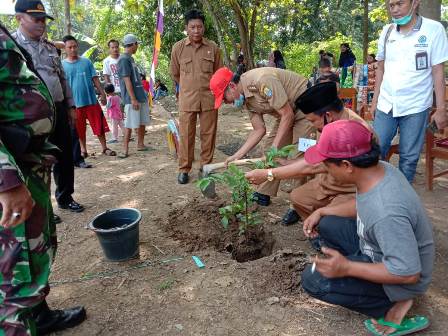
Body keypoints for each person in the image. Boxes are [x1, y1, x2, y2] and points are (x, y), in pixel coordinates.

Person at [299, 120, 434, 336]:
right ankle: (357, 264)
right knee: (327, 224)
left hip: (403, 276)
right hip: (381, 247)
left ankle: (394, 304)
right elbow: (362, 204)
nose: (324, 168)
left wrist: (347, 269)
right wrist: (322, 211)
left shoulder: (386, 211)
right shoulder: (380, 171)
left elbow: (408, 273)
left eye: (327, 163)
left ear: (346, 165)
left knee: (313, 280)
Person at [0, 21, 86, 336]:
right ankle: (17, 326)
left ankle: (39, 314)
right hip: (10, 173)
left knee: (36, 247)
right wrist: (6, 181)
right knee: (15, 263)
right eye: (33, 16)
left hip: (28, 162)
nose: (39, 21)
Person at [245, 82, 370, 225]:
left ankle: (332, 231)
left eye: (311, 120)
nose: (310, 125)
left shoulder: (352, 131)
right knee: (298, 197)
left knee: (332, 222)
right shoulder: (330, 123)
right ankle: (317, 230)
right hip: (327, 183)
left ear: (328, 115)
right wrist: (287, 163)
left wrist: (268, 174)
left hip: (349, 190)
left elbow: (314, 167)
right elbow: (315, 160)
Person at [13, 0, 84, 217]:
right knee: (36, 160)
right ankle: (42, 206)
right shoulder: (11, 47)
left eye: (44, 19)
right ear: (19, 18)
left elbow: (62, 78)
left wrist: (70, 105)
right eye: (36, 19)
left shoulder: (51, 47)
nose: (41, 24)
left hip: (59, 109)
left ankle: (65, 197)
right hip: (29, 115)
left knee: (64, 155)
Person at [210, 67, 314, 206]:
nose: (225, 102)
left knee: (300, 154)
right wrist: (238, 155)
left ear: (232, 86)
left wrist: (274, 149)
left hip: (306, 109)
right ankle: (264, 193)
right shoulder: (246, 97)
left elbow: (287, 115)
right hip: (286, 112)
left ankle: (298, 205)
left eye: (224, 97)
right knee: (269, 149)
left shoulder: (261, 80)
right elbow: (258, 129)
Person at [370, 0, 448, 183]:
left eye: (400, 4)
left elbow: (438, 71)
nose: (395, 10)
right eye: (391, 5)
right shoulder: (387, 31)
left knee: (409, 158)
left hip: (416, 106)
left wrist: (441, 109)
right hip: (386, 104)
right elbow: (380, 68)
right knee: (375, 150)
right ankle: (377, 192)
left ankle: (401, 198)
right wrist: (375, 101)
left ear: (415, 3)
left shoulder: (433, 30)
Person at [170, 9, 223, 184]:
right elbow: (175, 74)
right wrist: (187, 87)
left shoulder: (213, 48)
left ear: (204, 28)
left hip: (209, 98)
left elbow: (219, 74)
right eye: (192, 27)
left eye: (199, 27)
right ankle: (184, 169)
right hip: (187, 99)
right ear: (186, 28)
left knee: (208, 134)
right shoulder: (178, 48)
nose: (196, 30)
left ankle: (206, 167)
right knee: (186, 135)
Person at [61, 35, 116, 158]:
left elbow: (95, 79)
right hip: (74, 104)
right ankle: (83, 150)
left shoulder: (86, 62)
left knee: (99, 125)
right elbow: (62, 85)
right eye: (70, 47)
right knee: (79, 129)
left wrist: (102, 94)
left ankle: (104, 147)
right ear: (65, 49)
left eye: (75, 46)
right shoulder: (62, 65)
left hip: (91, 100)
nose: (73, 49)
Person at [118, 33, 151, 158]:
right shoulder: (123, 60)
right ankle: (124, 149)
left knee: (142, 121)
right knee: (130, 124)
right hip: (132, 98)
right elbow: (126, 80)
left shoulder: (130, 59)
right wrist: (132, 98)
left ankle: (140, 144)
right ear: (133, 44)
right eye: (137, 44)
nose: (137, 47)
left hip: (140, 95)